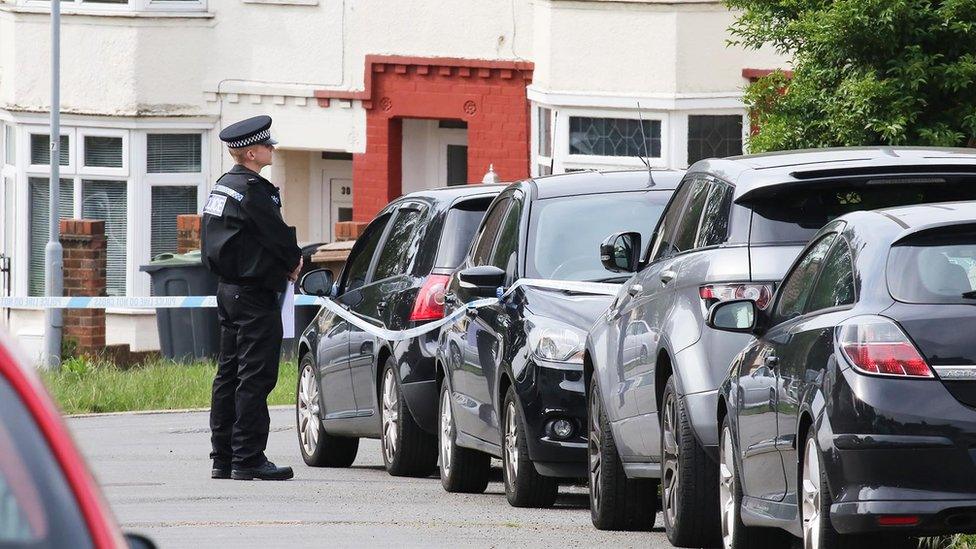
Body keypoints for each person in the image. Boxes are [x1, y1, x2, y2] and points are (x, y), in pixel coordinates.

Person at [201, 115, 302, 481]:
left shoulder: (222, 187)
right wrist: (294, 261)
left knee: (228, 374)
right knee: (255, 376)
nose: (271, 149)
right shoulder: (253, 189)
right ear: (249, 153)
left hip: (228, 292)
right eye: (266, 145)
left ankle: (223, 458)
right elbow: (276, 235)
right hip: (254, 294)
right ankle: (248, 457)